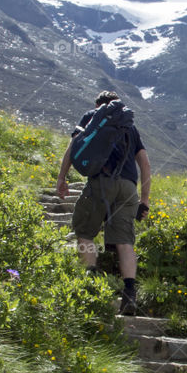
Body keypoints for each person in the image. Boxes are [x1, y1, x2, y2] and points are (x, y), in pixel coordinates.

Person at [55, 91, 151, 315]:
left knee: (85, 231)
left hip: (101, 183)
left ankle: (90, 280)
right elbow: (145, 165)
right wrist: (144, 201)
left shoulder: (92, 116)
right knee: (125, 241)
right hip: (128, 188)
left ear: (99, 104)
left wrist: (62, 178)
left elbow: (73, 148)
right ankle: (129, 295)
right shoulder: (129, 126)